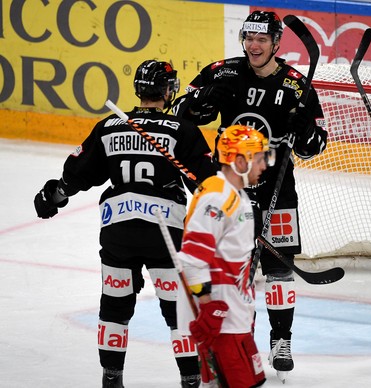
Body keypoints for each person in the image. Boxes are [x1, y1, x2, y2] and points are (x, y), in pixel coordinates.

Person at [33, 59, 217, 387]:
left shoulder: (110, 126)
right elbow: (207, 182)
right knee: (178, 312)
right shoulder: (183, 130)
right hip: (166, 233)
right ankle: (191, 379)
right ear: (167, 90)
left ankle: (111, 378)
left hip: (119, 231)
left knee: (115, 307)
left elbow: (77, 173)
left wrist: (54, 196)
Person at [172, 10, 328, 381]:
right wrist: (208, 98)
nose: (254, 46)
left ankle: (281, 340)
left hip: (278, 186)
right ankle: (245, 342)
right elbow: (181, 113)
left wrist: (303, 129)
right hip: (231, 190)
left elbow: (315, 145)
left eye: (262, 40)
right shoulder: (222, 71)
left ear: (276, 43)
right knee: (238, 270)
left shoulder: (294, 85)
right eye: (249, 38)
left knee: (279, 267)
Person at [176, 124, 272, 388]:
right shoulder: (218, 196)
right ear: (240, 160)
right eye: (260, 158)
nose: (264, 165)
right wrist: (208, 308)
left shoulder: (236, 195)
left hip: (235, 314)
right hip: (221, 318)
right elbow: (193, 257)